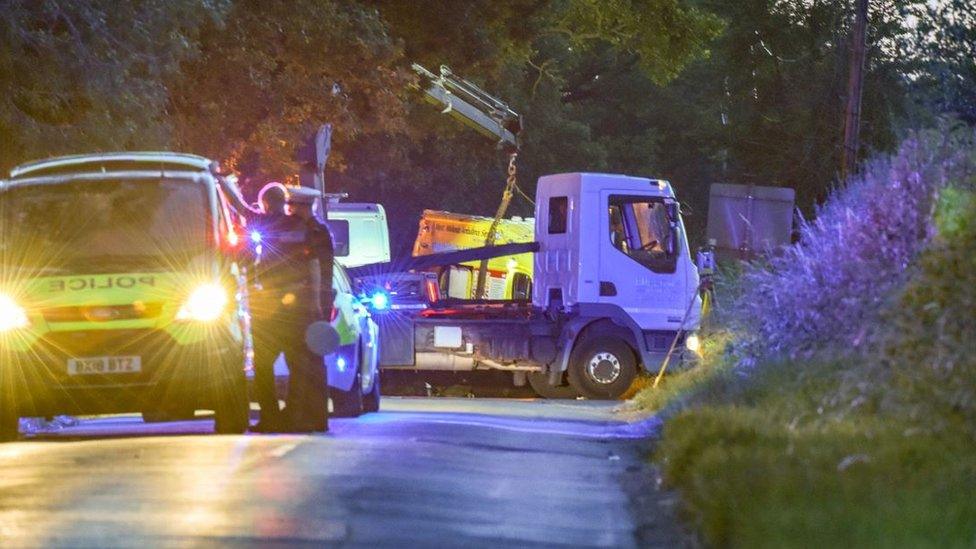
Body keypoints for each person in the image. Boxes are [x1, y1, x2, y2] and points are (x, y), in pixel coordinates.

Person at [250, 183, 334, 433]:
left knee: (304, 365)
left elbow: (315, 268)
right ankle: (301, 417)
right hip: (306, 308)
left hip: (305, 308)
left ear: (302, 207)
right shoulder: (310, 229)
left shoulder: (312, 231)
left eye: (292, 206)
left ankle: (302, 418)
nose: (289, 210)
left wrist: (318, 305)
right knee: (304, 365)